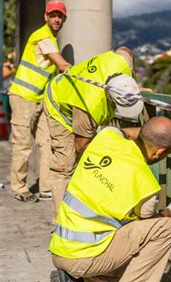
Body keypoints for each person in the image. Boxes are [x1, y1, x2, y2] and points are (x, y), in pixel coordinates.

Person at [50, 116, 171, 282]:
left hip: (59, 249)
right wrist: (170, 212)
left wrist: (155, 133)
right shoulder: (145, 182)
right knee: (165, 228)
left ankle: (77, 280)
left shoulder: (106, 137)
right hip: (83, 258)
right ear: (160, 152)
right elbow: (146, 224)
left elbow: (121, 131)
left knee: (125, 262)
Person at [43, 47, 141, 217]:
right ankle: (60, 225)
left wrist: (133, 83)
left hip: (76, 93)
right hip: (58, 104)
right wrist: (114, 142)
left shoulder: (122, 63)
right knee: (65, 164)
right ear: (110, 99)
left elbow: (125, 50)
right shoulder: (90, 107)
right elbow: (81, 145)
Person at [8, 0, 71, 202]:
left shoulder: (51, 40)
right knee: (23, 145)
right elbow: (61, 64)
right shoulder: (43, 37)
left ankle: (46, 188)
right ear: (46, 17)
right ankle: (19, 188)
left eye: (60, 16)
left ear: (64, 19)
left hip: (39, 102)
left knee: (47, 143)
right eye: (53, 15)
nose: (56, 19)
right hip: (23, 99)